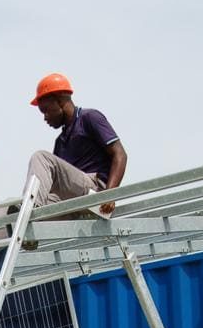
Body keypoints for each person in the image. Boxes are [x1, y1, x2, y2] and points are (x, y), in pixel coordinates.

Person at [25, 72, 127, 219]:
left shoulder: (89, 118)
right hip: (72, 199)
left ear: (60, 101)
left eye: (46, 110)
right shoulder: (60, 142)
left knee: (41, 157)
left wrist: (109, 195)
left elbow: (120, 154)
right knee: (12, 206)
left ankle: (31, 211)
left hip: (95, 190)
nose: (45, 117)